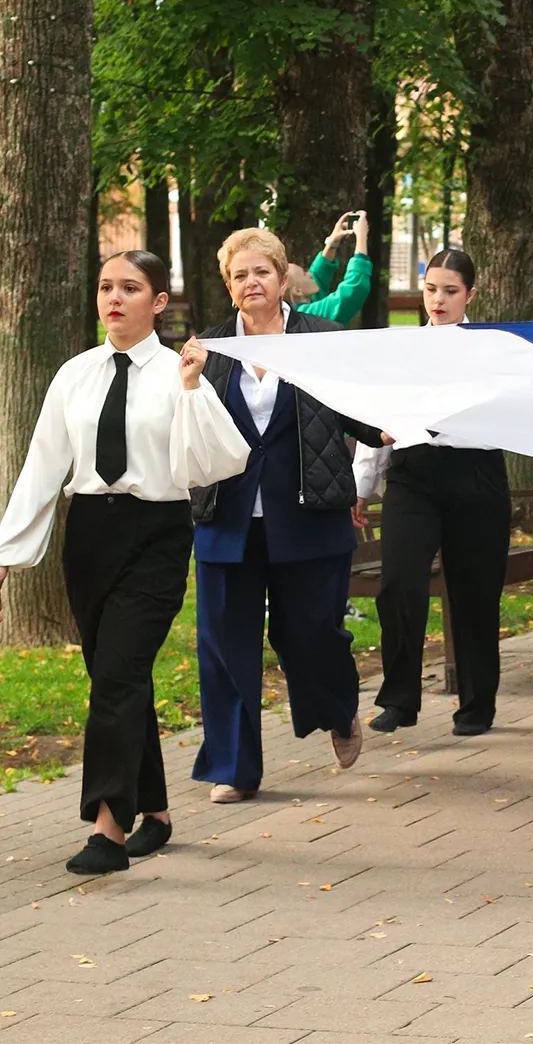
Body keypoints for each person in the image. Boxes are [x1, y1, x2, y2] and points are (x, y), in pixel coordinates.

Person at [0, 252, 249, 873]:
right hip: (88, 534)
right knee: (117, 679)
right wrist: (7, 550)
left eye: (130, 288)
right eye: (106, 286)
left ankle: (109, 830)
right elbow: (43, 463)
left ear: (159, 302)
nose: (114, 298)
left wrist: (193, 390)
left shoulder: (181, 371)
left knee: (117, 674)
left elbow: (219, 460)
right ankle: (156, 811)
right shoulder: (74, 374)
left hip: (156, 533)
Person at [192, 228, 388, 803]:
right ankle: (234, 767)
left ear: (282, 278)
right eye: (239, 276)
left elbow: (355, 408)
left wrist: (383, 427)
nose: (252, 283)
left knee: (309, 633)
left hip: (309, 513)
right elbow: (182, 423)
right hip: (227, 519)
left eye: (262, 272)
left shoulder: (320, 340)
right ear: (229, 287)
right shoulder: (209, 350)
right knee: (226, 645)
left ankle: (337, 707)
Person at [354, 250, 512, 735]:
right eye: (430, 290)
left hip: (477, 475)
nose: (438, 301)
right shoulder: (402, 350)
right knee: (400, 583)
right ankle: (400, 699)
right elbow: (382, 417)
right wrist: (362, 485)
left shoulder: (494, 348)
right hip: (413, 475)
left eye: (450, 291)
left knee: (474, 593)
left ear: (470, 294)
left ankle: (477, 703)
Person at [297, 210, 373, 325]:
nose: (309, 273)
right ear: (297, 291)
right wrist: (361, 238)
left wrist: (332, 242)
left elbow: (318, 277)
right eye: (304, 273)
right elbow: (353, 290)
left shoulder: (297, 310)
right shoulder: (305, 317)